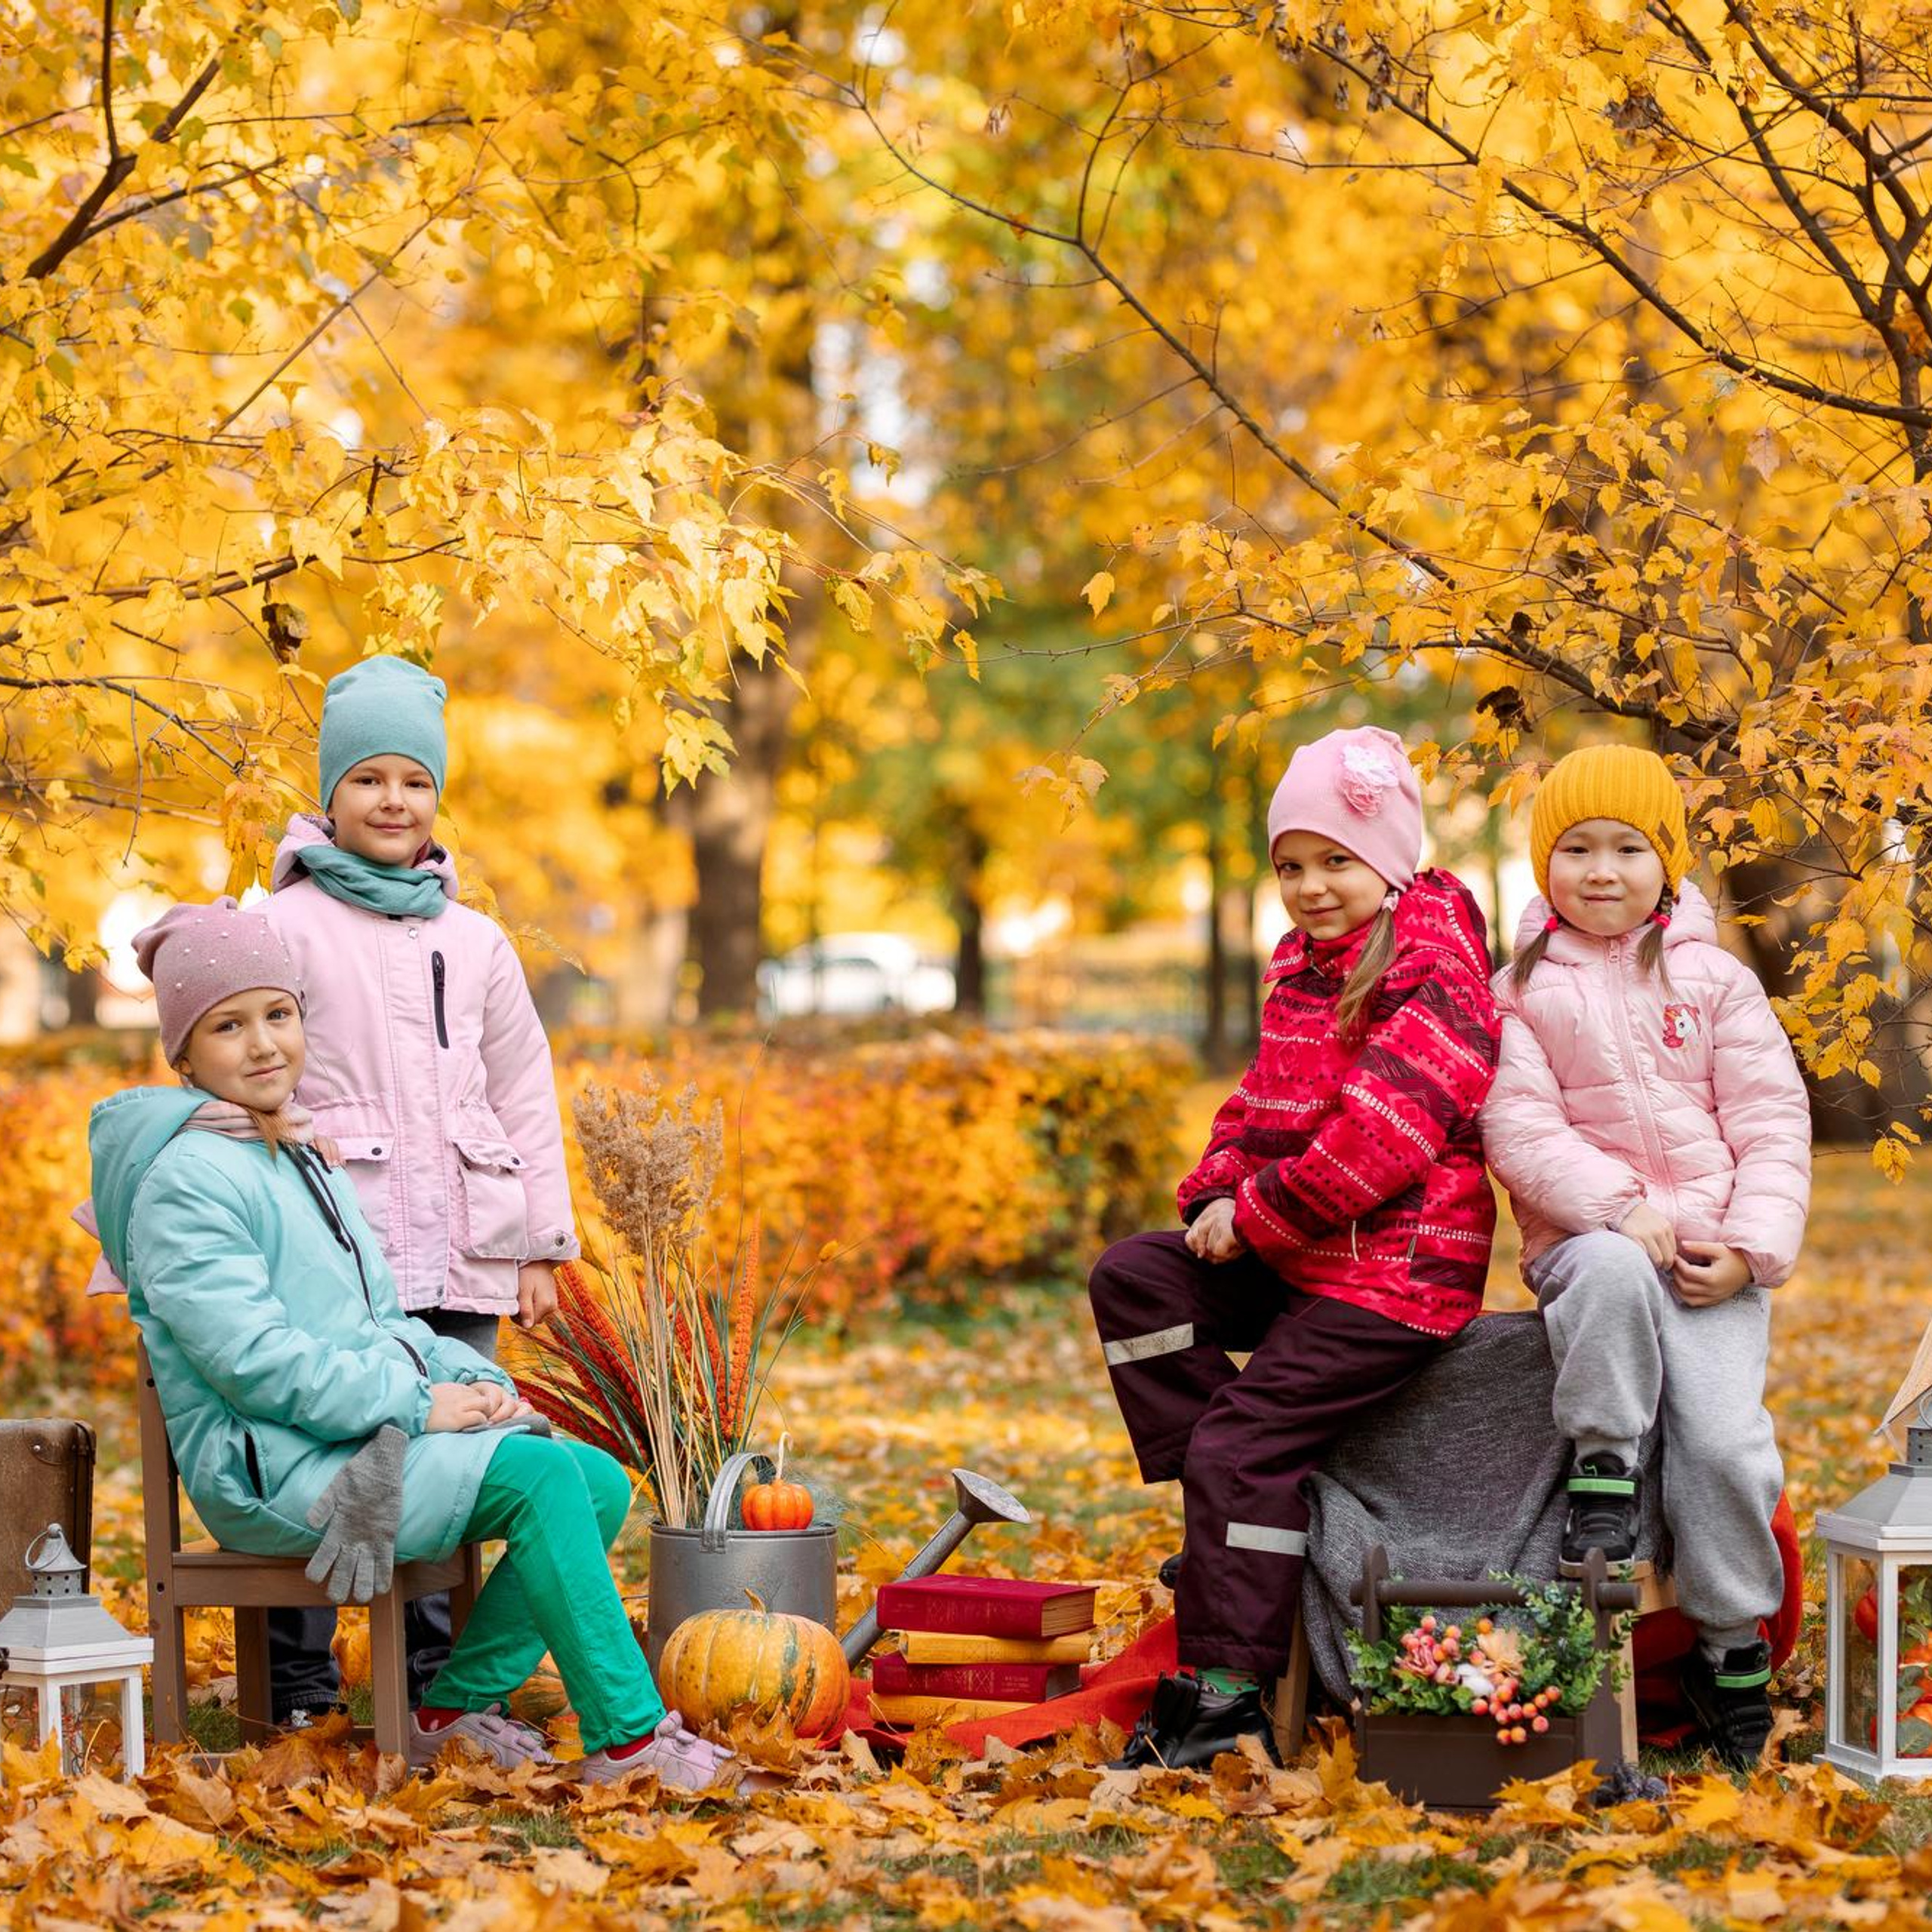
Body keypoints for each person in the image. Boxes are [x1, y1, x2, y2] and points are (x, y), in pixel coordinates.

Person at [91, 900, 728, 1786]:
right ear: (185, 1055)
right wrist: (419, 1404)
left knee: (592, 1478)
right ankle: (630, 1740)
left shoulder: (296, 1153)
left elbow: (382, 1321)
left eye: (278, 1014)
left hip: (348, 1433)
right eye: (229, 1026)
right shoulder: (187, 1181)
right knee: (542, 1481)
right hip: (276, 1469)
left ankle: (448, 1713)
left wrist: (475, 1381)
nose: (264, 1044)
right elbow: (255, 1363)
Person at [1089, 725, 1502, 1769]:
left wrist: (1259, 1213)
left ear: (1389, 861)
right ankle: (1239, 1524)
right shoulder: (1299, 963)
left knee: (1240, 1446)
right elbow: (1261, 1099)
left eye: (1335, 862)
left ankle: (1225, 1694)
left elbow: (1382, 1137)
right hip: (1307, 1254)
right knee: (1135, 1278)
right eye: (1290, 866)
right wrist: (1215, 1190)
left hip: (1399, 1275)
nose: (1311, 887)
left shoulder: (1436, 968)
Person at [254, 655, 579, 1727]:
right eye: (368, 779)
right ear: (330, 794)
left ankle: (434, 1675)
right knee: (327, 1452)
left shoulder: (475, 940)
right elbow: (245, 1065)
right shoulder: (285, 926)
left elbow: (522, 1088)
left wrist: (539, 1244)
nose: (392, 800)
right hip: (336, 1250)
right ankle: (298, 1679)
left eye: (414, 780)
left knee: (456, 1453)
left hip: (460, 1248)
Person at [1480, 742, 1810, 1767]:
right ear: (1544, 863)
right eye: (1576, 848)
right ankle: (1604, 1468)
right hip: (1588, 1244)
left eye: (1628, 847)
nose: (1601, 870)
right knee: (1613, 1266)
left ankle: (1730, 1650)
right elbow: (1518, 1127)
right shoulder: (1519, 990)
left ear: (1666, 861)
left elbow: (1771, 1122)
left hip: (1709, 1261)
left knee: (1725, 1449)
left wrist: (1750, 1250)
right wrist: (1615, 1206)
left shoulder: (1713, 980)